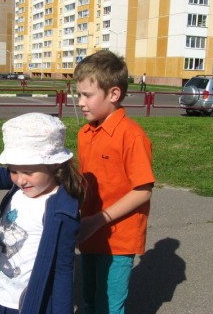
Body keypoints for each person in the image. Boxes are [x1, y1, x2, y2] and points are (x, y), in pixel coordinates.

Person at [0, 113, 86, 314]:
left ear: (55, 165)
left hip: (24, 304)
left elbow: (63, 270)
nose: (20, 180)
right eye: (14, 170)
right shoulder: (23, 186)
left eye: (28, 172)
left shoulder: (60, 210)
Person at [74, 50, 155, 314]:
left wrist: (98, 220)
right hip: (88, 233)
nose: (80, 102)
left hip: (117, 240)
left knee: (108, 307)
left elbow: (142, 191)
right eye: (79, 95)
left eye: (87, 95)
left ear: (114, 94)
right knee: (88, 300)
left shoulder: (131, 135)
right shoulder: (85, 133)